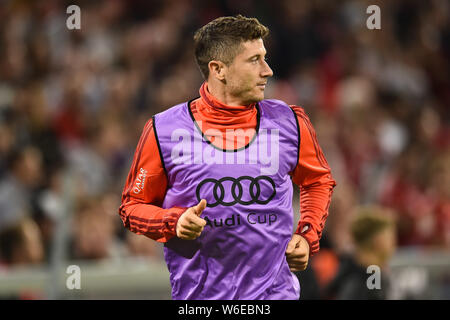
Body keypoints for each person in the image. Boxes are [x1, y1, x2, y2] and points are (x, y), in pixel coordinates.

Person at [119, 15, 336, 300]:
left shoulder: (289, 121)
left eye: (265, 58)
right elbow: (132, 207)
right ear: (218, 69)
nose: (268, 70)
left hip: (275, 295)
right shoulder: (164, 130)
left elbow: (318, 180)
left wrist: (307, 235)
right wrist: (173, 221)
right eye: (254, 60)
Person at [324, 206, 397, 300]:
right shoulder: (355, 283)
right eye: (390, 238)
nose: (394, 244)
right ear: (378, 240)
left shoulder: (373, 273)